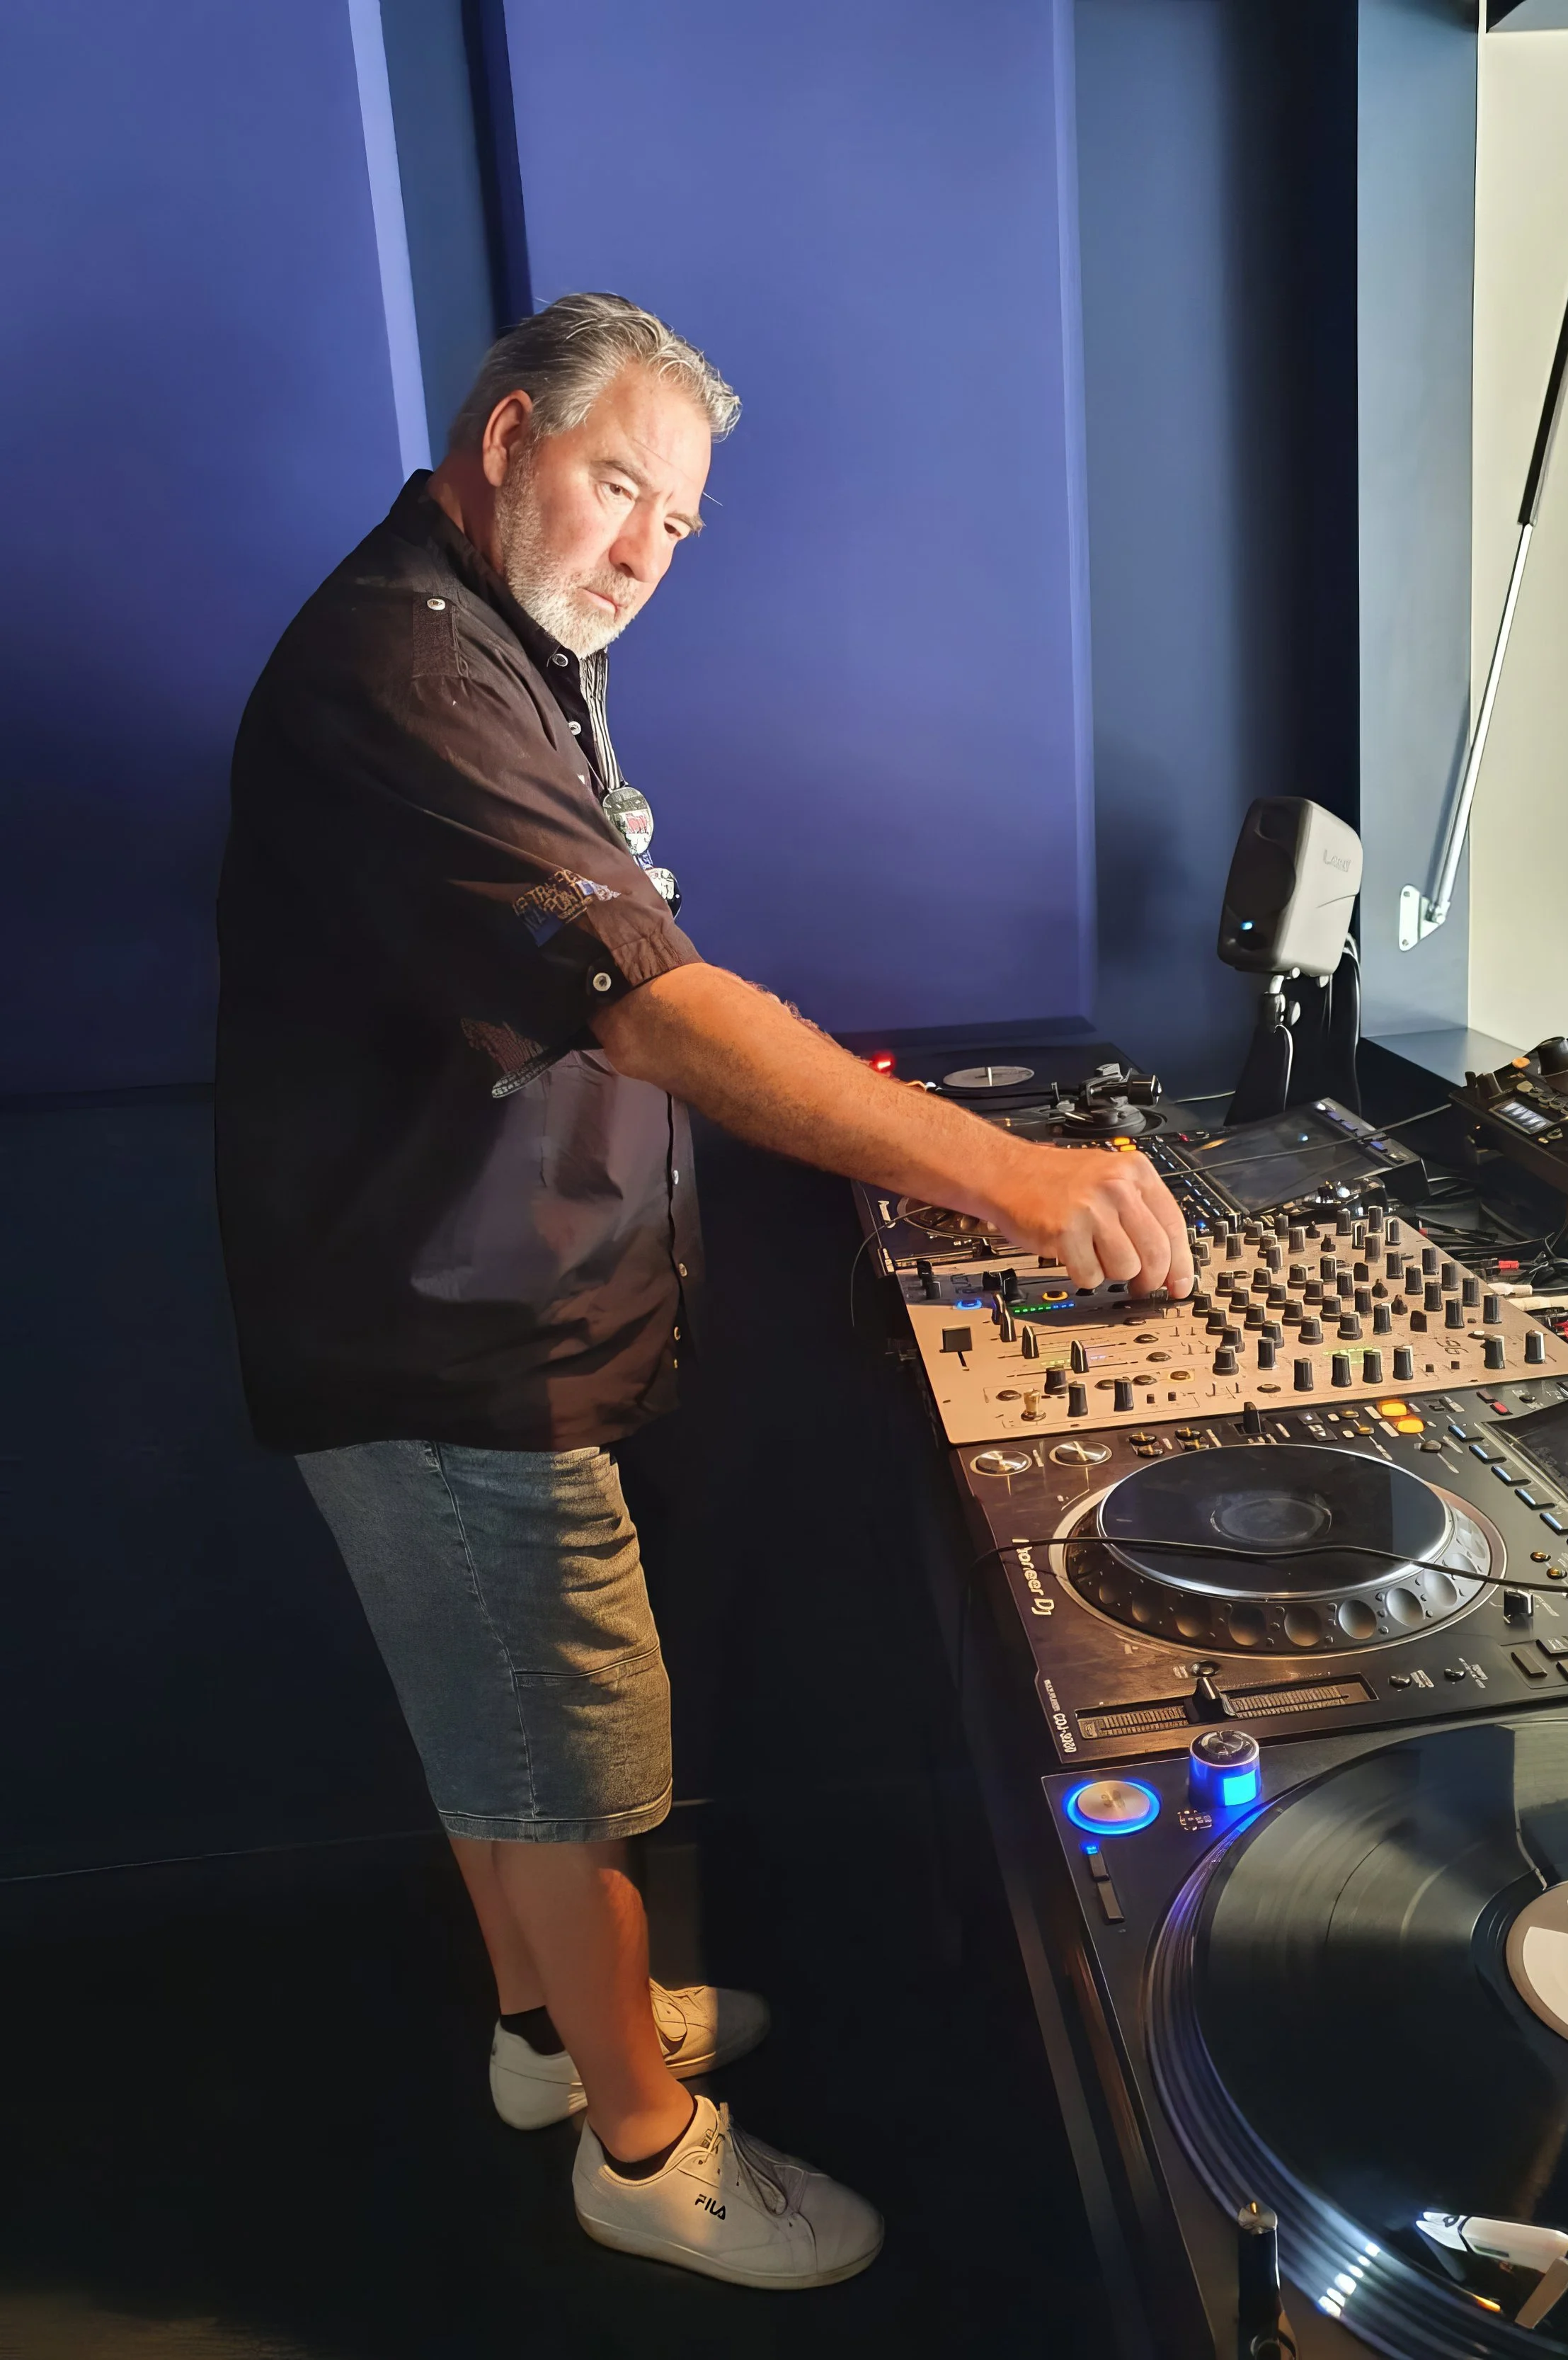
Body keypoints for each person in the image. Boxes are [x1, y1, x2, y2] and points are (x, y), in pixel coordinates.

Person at [215, 292, 1189, 2292]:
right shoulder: (400, 669)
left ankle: (541, 2043)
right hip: (441, 1338)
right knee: (569, 1763)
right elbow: (648, 1001)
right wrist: (1006, 1173)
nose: (645, 549)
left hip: (479, 1315)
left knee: (498, 1735)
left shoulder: (498, 636)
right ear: (503, 443)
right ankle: (645, 2157)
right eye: (614, 487)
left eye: (675, 518)